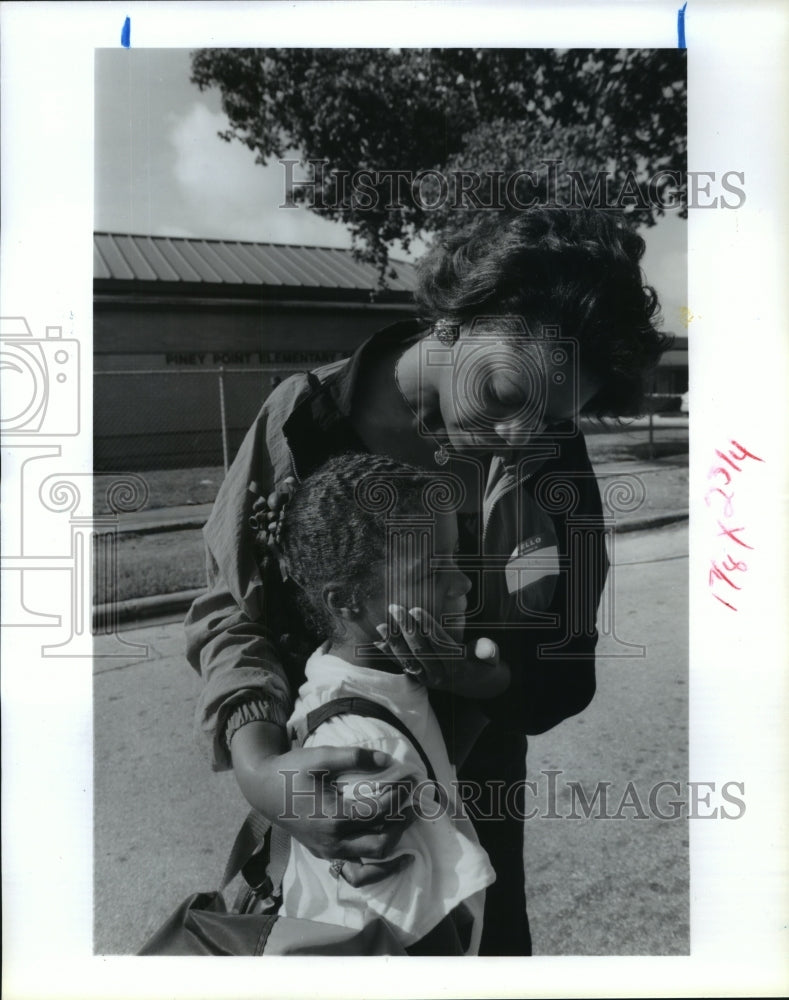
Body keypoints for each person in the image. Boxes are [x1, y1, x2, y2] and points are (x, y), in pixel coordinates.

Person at [185, 207, 668, 955]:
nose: (518, 441)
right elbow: (232, 612)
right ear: (451, 320)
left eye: (551, 424)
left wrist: (482, 682)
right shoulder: (302, 420)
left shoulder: (550, 460)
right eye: (506, 396)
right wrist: (260, 771)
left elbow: (563, 663)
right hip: (322, 782)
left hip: (474, 797)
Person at [263, 452, 509, 954]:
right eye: (430, 571)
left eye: (455, 557)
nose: (462, 583)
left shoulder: (358, 677)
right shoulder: (369, 749)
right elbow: (418, 937)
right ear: (345, 600)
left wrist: (477, 684)